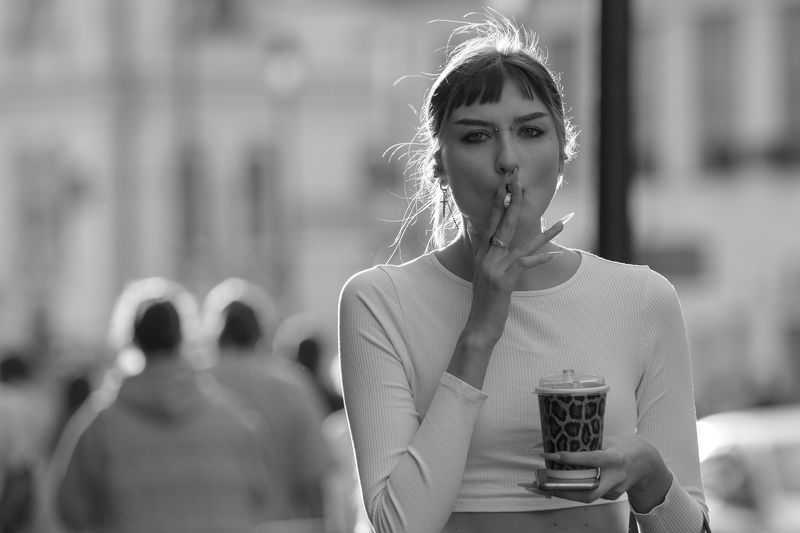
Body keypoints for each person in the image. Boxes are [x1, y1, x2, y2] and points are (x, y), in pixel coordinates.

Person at [337, 12, 709, 533]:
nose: (508, 159)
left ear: (563, 153)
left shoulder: (643, 298)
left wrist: (649, 475)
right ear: (438, 165)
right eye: (477, 136)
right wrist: (480, 329)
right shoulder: (381, 301)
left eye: (531, 131)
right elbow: (399, 526)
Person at [50, 277, 276, 533]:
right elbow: (264, 498)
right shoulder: (233, 418)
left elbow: (70, 510)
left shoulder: (100, 425)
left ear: (132, 339)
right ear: (182, 336)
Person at [202, 278, 335, 522]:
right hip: (282, 523)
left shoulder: (197, 386)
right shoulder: (291, 384)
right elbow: (315, 475)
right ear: (260, 331)